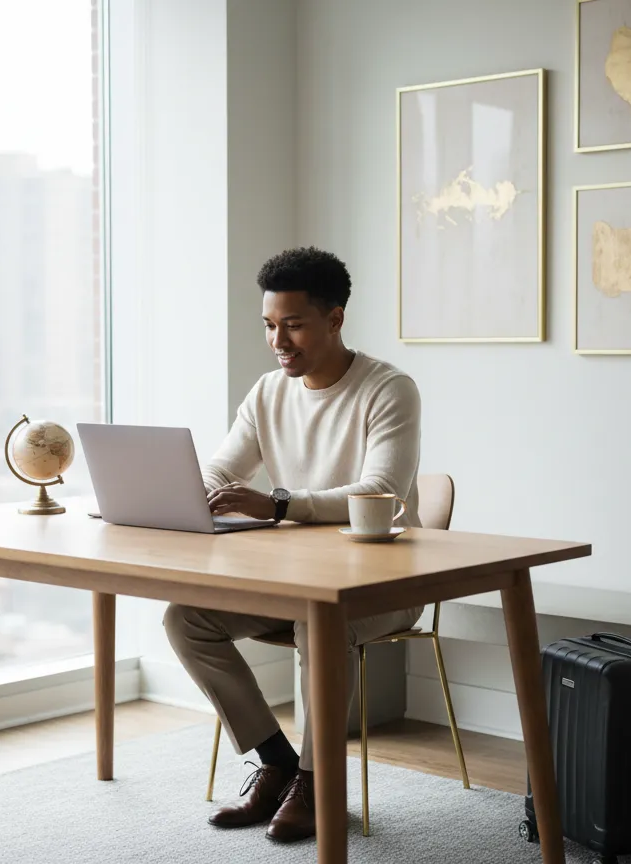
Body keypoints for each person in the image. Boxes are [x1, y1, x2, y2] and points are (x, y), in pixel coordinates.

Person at [162, 246, 423, 843]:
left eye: (294, 324)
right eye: (270, 326)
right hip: (291, 582)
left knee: (318, 622)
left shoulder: (389, 389)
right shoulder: (267, 392)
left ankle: (317, 778)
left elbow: (380, 488)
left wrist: (279, 504)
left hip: (383, 583)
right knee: (186, 618)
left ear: (335, 319)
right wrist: (191, 496)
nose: (279, 340)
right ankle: (276, 760)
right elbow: (221, 469)